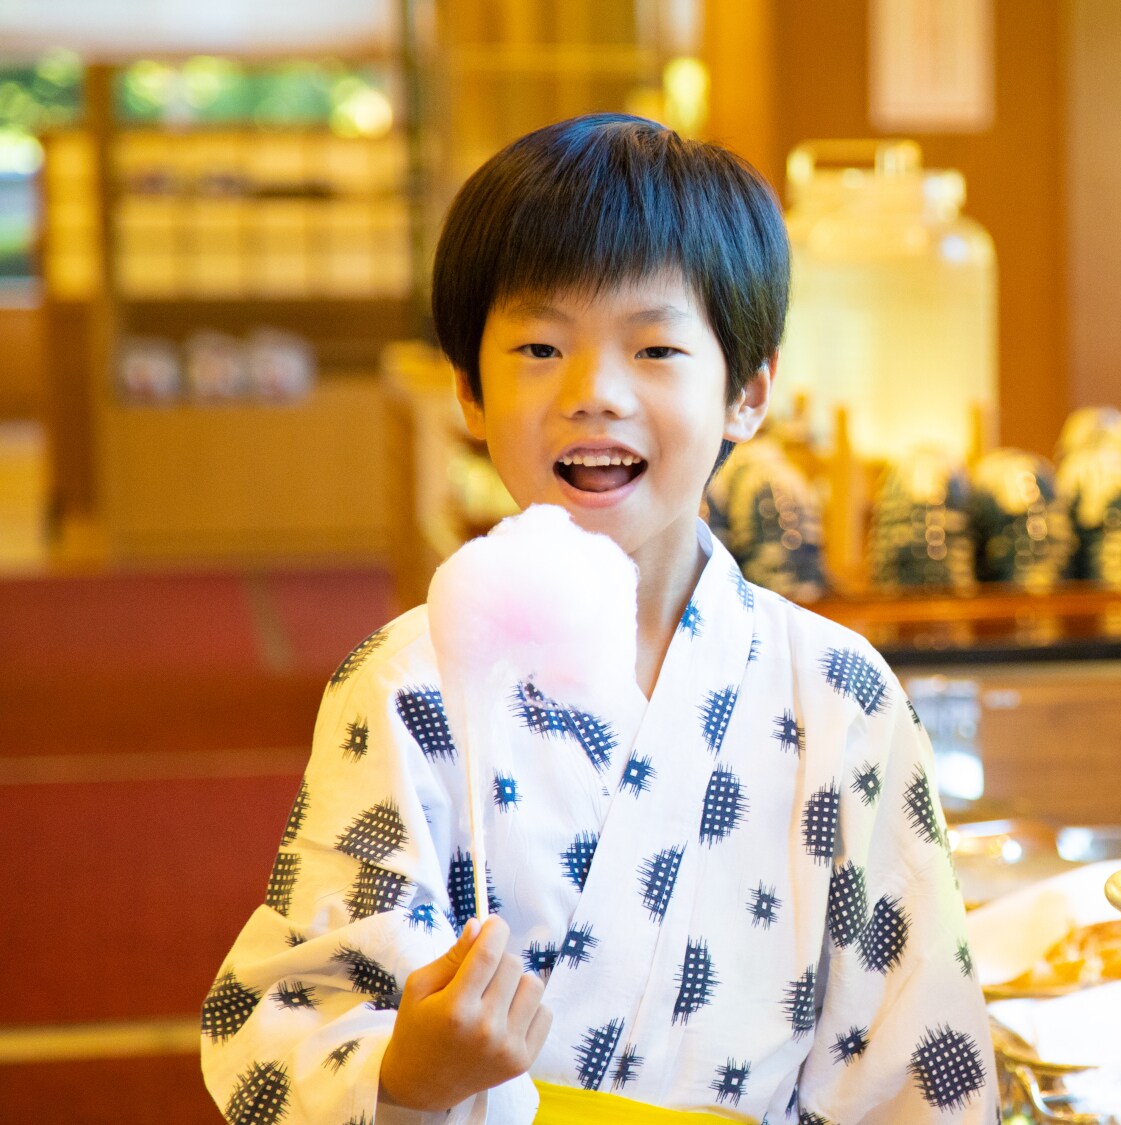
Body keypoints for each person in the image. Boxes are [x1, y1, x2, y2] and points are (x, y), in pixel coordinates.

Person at [199, 114, 994, 1125]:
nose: (594, 394)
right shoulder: (408, 683)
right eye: (539, 346)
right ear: (470, 395)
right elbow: (291, 1011)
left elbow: (914, 1051)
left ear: (747, 395)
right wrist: (405, 1074)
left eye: (655, 346)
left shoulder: (838, 693)